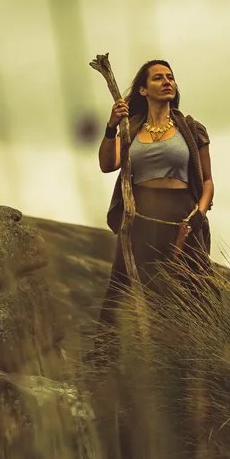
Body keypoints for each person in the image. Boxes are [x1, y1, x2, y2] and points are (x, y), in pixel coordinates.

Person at [94, 59, 214, 335]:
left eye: (170, 77)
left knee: (192, 291)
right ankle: (112, 354)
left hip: (183, 216)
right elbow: (107, 164)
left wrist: (199, 213)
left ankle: (195, 354)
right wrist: (111, 127)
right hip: (140, 215)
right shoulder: (131, 128)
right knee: (126, 288)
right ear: (143, 90)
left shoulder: (191, 128)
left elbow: (207, 181)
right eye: (158, 78)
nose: (167, 82)